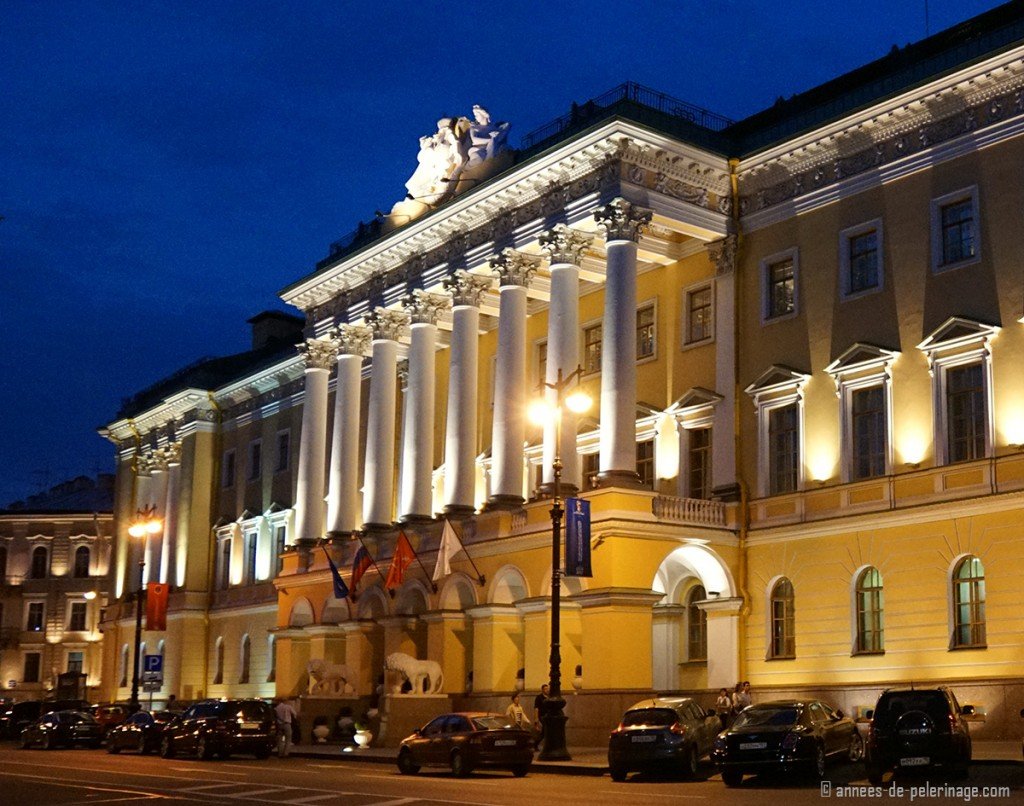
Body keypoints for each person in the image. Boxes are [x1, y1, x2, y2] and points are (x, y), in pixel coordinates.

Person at [532, 684, 549, 749]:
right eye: (545, 689)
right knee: (545, 730)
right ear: (542, 690)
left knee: (545, 732)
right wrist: (536, 718)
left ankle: (536, 744)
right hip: (542, 716)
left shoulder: (549, 697)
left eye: (547, 689)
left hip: (548, 716)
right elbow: (536, 708)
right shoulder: (539, 697)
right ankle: (536, 743)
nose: (547, 690)